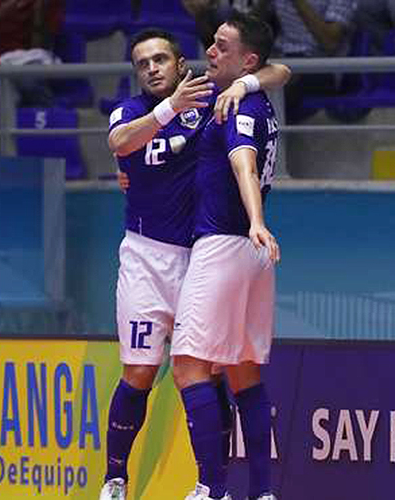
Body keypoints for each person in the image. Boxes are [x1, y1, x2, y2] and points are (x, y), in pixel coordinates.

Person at [100, 28, 290, 500]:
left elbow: (280, 70)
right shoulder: (131, 110)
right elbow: (121, 143)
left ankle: (214, 486)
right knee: (140, 372)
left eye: (160, 59)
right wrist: (169, 110)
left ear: (180, 61)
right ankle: (115, 478)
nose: (152, 69)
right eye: (142, 63)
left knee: (210, 371)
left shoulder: (213, 95)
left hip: (202, 254)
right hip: (146, 258)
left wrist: (244, 84)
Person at [170, 12, 280, 500]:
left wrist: (256, 220)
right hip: (251, 256)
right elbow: (284, 71)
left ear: (246, 59)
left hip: (223, 245)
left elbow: (244, 163)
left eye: (221, 46)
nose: (210, 51)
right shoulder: (255, 97)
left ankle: (211, 489)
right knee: (243, 372)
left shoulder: (237, 107)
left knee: (189, 367)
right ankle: (262, 492)